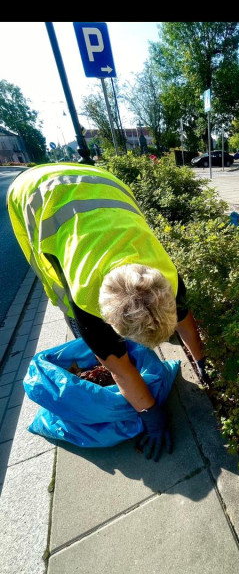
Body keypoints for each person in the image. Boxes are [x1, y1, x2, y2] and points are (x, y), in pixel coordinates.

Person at [7, 162, 208, 461]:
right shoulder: (86, 302)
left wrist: (203, 361)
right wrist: (151, 415)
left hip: (101, 183)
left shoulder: (166, 277)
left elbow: (184, 320)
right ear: (108, 321)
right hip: (34, 194)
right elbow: (121, 370)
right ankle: (83, 337)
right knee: (58, 284)